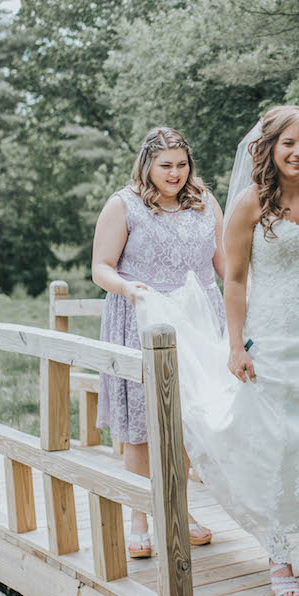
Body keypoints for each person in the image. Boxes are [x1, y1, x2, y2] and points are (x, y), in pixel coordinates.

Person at [138, 104, 299, 596]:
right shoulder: (249, 204)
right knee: (282, 446)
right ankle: (280, 554)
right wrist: (236, 344)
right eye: (288, 143)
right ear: (268, 148)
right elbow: (237, 279)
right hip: (274, 336)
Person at [92, 126, 225, 558]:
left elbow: (226, 265)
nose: (175, 174)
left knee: (189, 418)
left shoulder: (206, 203)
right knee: (143, 424)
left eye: (182, 165)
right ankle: (138, 516)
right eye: (166, 165)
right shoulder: (123, 205)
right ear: (147, 164)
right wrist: (131, 290)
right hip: (142, 317)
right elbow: (101, 267)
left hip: (200, 319)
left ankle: (180, 511)